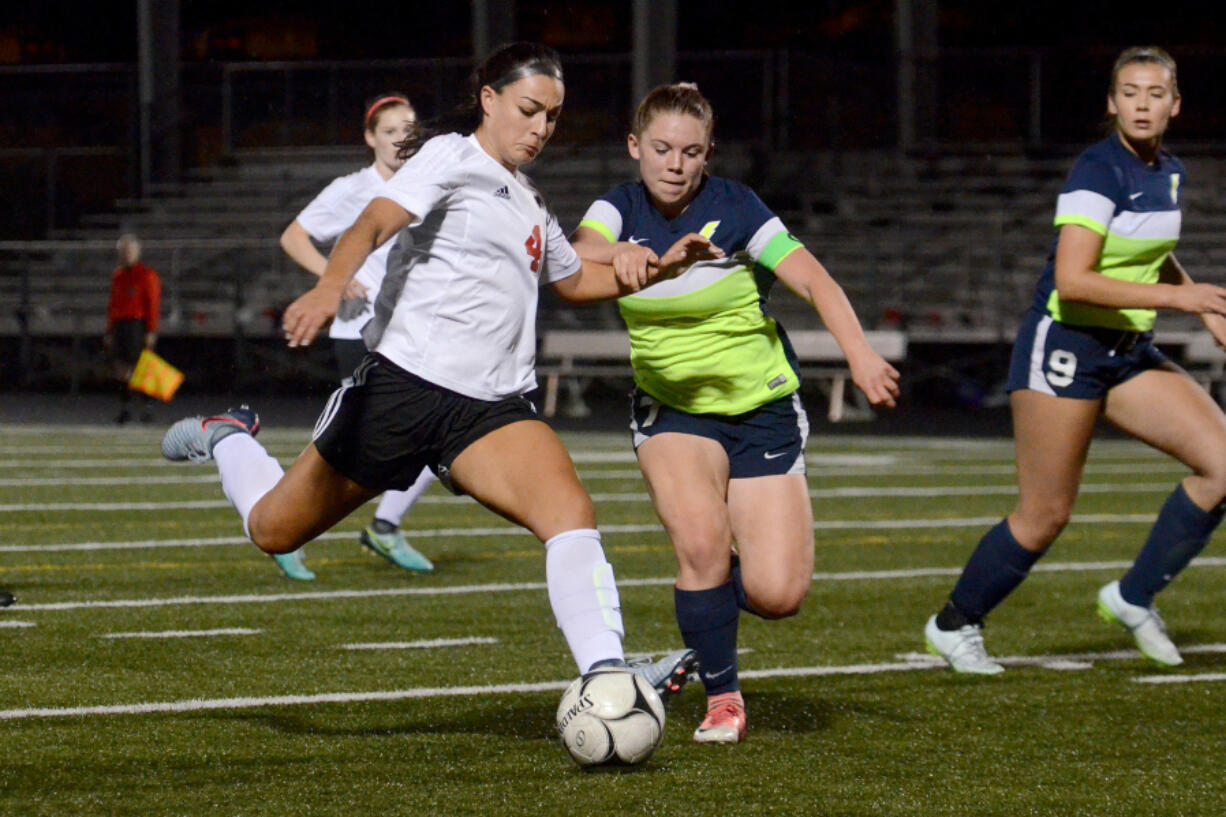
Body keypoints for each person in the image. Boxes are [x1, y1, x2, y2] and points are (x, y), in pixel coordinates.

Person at [160, 43, 717, 693]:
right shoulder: (451, 156)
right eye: (529, 110)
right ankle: (229, 434)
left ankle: (608, 672)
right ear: (488, 99)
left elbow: (574, 280)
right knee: (273, 529)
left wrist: (665, 266)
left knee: (569, 510)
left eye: (553, 117)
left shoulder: (529, 202)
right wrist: (327, 286)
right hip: (403, 388)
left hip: (489, 409)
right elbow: (371, 222)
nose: (540, 128)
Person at [572, 83, 901, 743]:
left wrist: (860, 354)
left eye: (690, 152)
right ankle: (722, 695)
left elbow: (814, 278)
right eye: (660, 148)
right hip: (673, 411)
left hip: (760, 411)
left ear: (708, 155)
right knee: (701, 546)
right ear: (635, 147)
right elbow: (573, 256)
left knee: (779, 593)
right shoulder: (618, 208)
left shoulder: (737, 207)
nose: (674, 163)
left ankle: (697, 628)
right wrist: (622, 254)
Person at [924, 46, 1226, 674]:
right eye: (1130, 92)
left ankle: (1132, 597)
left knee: (1223, 466)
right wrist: (1183, 298)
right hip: (1065, 347)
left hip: (1124, 350)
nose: (1143, 104)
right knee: (1045, 515)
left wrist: (1200, 305)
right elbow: (1074, 280)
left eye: (1156, 93)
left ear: (1175, 104)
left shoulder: (1168, 171)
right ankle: (954, 624)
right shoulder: (1098, 169)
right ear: (1111, 103)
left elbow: (1149, 253)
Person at [278, 92, 434, 581]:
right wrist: (334, 279)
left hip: (411, 333)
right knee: (360, 444)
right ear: (370, 138)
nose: (399, 141)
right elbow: (293, 236)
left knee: (430, 432)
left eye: (408, 131)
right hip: (361, 332)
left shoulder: (426, 184)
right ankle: (286, 524)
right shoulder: (353, 189)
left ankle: (382, 524)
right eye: (389, 132)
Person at [104, 233, 161, 424]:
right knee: (122, 370)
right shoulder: (118, 275)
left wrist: (151, 330)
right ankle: (126, 408)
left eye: (129, 250)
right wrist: (110, 330)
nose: (126, 254)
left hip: (137, 325)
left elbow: (152, 303)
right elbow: (113, 305)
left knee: (141, 369)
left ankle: (147, 407)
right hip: (120, 326)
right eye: (123, 251)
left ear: (137, 251)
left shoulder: (146, 275)